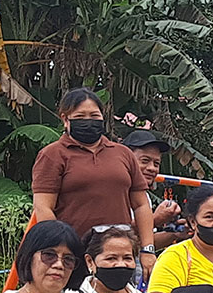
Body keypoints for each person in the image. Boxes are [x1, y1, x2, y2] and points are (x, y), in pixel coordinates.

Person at [31, 88, 157, 278]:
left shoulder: (122, 153)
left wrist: (148, 249)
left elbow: (141, 205)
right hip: (74, 254)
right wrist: (60, 251)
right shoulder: (53, 154)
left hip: (119, 254)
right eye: (80, 116)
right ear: (66, 119)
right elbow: (43, 208)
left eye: (94, 115)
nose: (88, 121)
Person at [122, 129, 182, 252]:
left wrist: (177, 233)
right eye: (145, 161)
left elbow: (143, 243)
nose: (152, 168)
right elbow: (115, 234)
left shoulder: (144, 197)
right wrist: (155, 219)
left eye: (156, 163)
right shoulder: (113, 191)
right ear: (125, 159)